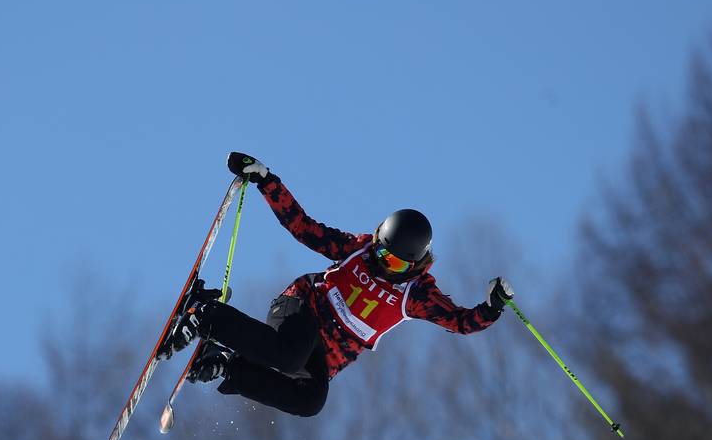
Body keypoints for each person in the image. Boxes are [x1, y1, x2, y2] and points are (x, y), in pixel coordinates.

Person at [160, 152, 515, 418]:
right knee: (288, 354)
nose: (379, 262)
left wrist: (492, 306)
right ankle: (204, 314)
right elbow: (303, 227)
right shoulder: (359, 249)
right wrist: (268, 181)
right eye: (380, 250)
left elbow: (462, 323)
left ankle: (225, 364)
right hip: (303, 309)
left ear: (413, 266)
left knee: (311, 400)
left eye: (391, 262)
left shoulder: (417, 294)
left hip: (323, 354)